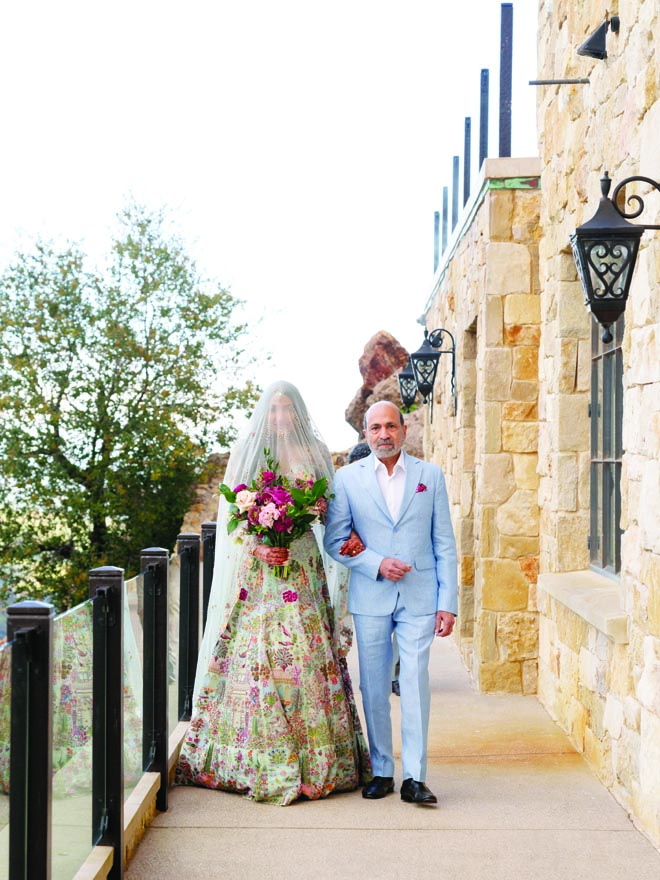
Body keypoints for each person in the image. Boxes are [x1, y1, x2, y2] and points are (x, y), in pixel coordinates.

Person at [176, 381, 370, 805]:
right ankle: (252, 754)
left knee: (304, 651)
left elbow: (332, 511)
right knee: (257, 653)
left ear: (298, 413)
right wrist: (260, 545)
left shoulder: (316, 454)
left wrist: (347, 532)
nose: (281, 417)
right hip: (262, 569)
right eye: (275, 409)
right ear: (266, 414)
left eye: (288, 409)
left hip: (300, 563)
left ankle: (318, 757)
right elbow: (235, 519)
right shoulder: (250, 453)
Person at [324, 400, 457, 805]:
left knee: (415, 682)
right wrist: (377, 563)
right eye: (376, 428)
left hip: (421, 595)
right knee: (374, 686)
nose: (384, 434)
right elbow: (335, 540)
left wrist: (447, 602)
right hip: (371, 595)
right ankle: (382, 770)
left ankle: (415, 777)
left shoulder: (429, 476)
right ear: (366, 434)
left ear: (403, 430)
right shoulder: (347, 480)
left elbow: (444, 544)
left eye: (391, 427)